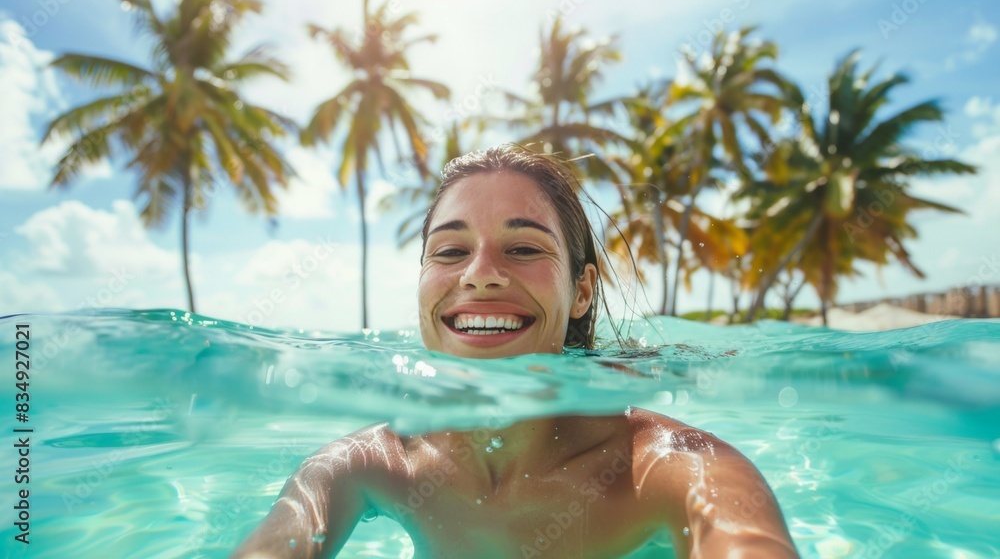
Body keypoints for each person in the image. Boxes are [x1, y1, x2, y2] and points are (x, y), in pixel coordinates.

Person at [232, 145, 799, 558]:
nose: (479, 276)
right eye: (450, 251)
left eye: (523, 246)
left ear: (581, 291)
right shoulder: (370, 465)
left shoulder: (671, 467)